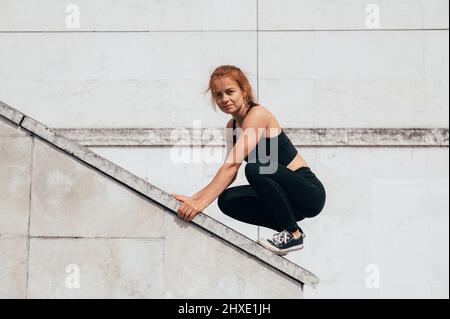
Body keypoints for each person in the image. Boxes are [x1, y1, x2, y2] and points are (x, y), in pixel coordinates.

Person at [172, 65, 326, 255]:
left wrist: (199, 204)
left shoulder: (258, 114)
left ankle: (293, 235)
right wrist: (194, 199)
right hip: (287, 201)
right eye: (218, 95)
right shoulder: (232, 127)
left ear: (244, 91)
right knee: (227, 200)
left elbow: (233, 164)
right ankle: (289, 228)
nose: (224, 99)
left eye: (230, 92)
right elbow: (229, 171)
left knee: (257, 168)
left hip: (308, 194)